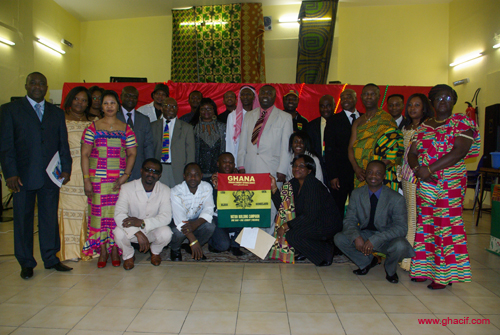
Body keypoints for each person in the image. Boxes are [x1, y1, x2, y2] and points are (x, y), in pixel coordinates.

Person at [0, 72, 73, 279]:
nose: (37, 86)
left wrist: (66, 168)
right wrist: (10, 174)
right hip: (22, 177)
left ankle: (51, 258)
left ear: (47, 87)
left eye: (41, 84)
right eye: (33, 83)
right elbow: (6, 146)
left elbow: (62, 143)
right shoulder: (10, 110)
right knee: (23, 220)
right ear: (26, 86)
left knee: (49, 218)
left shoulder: (56, 113)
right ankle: (26, 263)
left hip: (50, 176)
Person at [408, 84, 480, 289]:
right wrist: (417, 170)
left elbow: (459, 152)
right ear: (431, 101)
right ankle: (422, 270)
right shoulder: (424, 126)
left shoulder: (461, 122)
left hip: (450, 184)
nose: (443, 102)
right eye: (439, 98)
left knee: (445, 227)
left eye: (448, 98)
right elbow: (412, 153)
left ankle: (443, 276)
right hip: (425, 182)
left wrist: (428, 169)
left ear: (454, 101)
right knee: (425, 226)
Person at [81, 90, 137, 268]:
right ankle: (103, 251)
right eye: (106, 103)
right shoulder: (92, 127)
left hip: (118, 182)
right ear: (101, 106)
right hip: (97, 181)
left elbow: (132, 153)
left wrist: (125, 176)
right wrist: (87, 180)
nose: (109, 106)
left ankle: (115, 250)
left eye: (112, 103)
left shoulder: (126, 128)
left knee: (116, 217)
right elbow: (84, 155)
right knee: (99, 217)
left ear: (118, 105)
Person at [334, 160, 415, 283]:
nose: (373, 176)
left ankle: (390, 270)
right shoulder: (357, 194)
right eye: (370, 172)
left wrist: (376, 239)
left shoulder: (396, 198)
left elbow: (401, 227)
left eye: (378, 173)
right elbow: (349, 220)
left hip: (387, 238)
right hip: (365, 234)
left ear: (383, 176)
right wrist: (356, 236)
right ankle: (367, 262)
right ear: (365, 174)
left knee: (401, 245)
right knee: (339, 238)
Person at [237, 85, 293, 235]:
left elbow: (286, 146)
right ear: (258, 96)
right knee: (251, 206)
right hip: (250, 168)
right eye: (263, 93)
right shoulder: (249, 115)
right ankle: (252, 242)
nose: (265, 95)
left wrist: (282, 170)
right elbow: (242, 142)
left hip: (272, 170)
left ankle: (265, 243)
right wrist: (241, 165)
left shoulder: (285, 117)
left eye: (269, 93)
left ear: (275, 97)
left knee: (269, 208)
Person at [271, 155, 342, 266]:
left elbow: (309, 215)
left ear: (309, 170)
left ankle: (326, 251)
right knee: (292, 232)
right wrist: (274, 188)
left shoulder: (312, 184)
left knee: (292, 235)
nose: (296, 169)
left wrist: (285, 226)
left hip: (326, 223)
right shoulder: (293, 183)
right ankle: (307, 251)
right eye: (294, 166)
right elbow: (283, 207)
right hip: (312, 221)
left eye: (301, 166)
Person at [114, 158, 173, 270]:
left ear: (159, 175)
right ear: (141, 170)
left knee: (167, 233)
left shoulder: (165, 190)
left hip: (151, 229)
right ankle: (128, 256)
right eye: (148, 170)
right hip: (131, 231)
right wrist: (137, 232)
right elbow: (119, 214)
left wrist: (142, 223)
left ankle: (155, 252)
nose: (151, 174)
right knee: (118, 232)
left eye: (155, 172)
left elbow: (166, 217)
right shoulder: (127, 188)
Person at [58, 86, 96, 262]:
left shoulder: (94, 121)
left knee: (89, 210)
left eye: (84, 100)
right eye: (76, 99)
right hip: (69, 173)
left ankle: (89, 248)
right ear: (70, 99)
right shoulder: (60, 119)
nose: (80, 103)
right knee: (69, 211)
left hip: (91, 173)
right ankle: (71, 251)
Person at [397, 93, 433, 271]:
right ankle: (409, 258)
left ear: (424, 107)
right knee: (410, 217)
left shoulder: (428, 127)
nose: (412, 108)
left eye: (417, 105)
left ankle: (416, 260)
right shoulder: (406, 127)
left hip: (421, 176)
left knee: (420, 217)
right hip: (406, 176)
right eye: (410, 105)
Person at [348, 83, 403, 192]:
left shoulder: (387, 120)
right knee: (362, 206)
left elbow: (395, 148)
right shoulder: (358, 122)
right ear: (361, 97)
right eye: (366, 94)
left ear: (379, 97)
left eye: (372, 94)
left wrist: (375, 170)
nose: (368, 97)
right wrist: (356, 168)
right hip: (361, 174)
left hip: (380, 175)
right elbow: (350, 147)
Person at [325, 89, 361, 217]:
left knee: (360, 207)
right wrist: (333, 175)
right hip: (340, 174)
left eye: (349, 97)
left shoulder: (365, 118)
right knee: (338, 208)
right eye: (343, 98)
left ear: (356, 99)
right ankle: (337, 236)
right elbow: (329, 151)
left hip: (361, 173)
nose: (346, 100)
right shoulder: (333, 121)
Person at [169, 163, 216, 261]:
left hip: (196, 220)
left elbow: (209, 209)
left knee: (210, 226)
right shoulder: (175, 191)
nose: (193, 178)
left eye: (197, 174)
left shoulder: (207, 187)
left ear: (201, 176)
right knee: (178, 232)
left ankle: (191, 248)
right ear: (184, 176)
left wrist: (195, 224)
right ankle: (175, 249)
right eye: (189, 174)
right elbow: (180, 220)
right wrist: (193, 240)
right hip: (179, 221)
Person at [151, 98, 195, 188]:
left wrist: (188, 172)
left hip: (179, 170)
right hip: (159, 168)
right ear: (162, 108)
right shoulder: (152, 126)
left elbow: (190, 153)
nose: (171, 109)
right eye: (167, 106)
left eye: (174, 106)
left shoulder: (187, 128)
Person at [208, 152, 244, 256]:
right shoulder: (209, 182)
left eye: (231, 162)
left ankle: (235, 245)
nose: (228, 165)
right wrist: (216, 189)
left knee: (249, 215)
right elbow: (212, 207)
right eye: (224, 162)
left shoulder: (239, 181)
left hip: (233, 218)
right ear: (218, 164)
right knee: (223, 245)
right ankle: (212, 242)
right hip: (216, 218)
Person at [119, 86, 154, 180]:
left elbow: (148, 146)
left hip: (138, 168)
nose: (131, 99)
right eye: (128, 96)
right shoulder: (114, 117)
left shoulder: (144, 120)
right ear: (121, 96)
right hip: (116, 167)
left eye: (134, 97)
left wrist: (149, 168)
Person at [191, 98, 226, 181]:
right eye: (203, 109)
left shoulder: (223, 127)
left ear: (214, 110)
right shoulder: (193, 128)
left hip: (218, 172)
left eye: (209, 108)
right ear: (199, 111)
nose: (206, 111)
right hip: (199, 173)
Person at [305, 94, 335, 185]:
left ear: (334, 106)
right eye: (322, 106)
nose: (325, 109)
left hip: (336, 169)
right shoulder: (310, 126)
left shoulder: (340, 123)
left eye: (328, 106)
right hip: (318, 168)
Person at [225, 86, 259, 165]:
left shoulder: (259, 116)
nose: (245, 97)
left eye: (248, 94)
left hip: (255, 159)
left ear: (254, 97)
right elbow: (230, 142)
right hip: (237, 158)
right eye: (243, 95)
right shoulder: (232, 116)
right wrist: (233, 163)